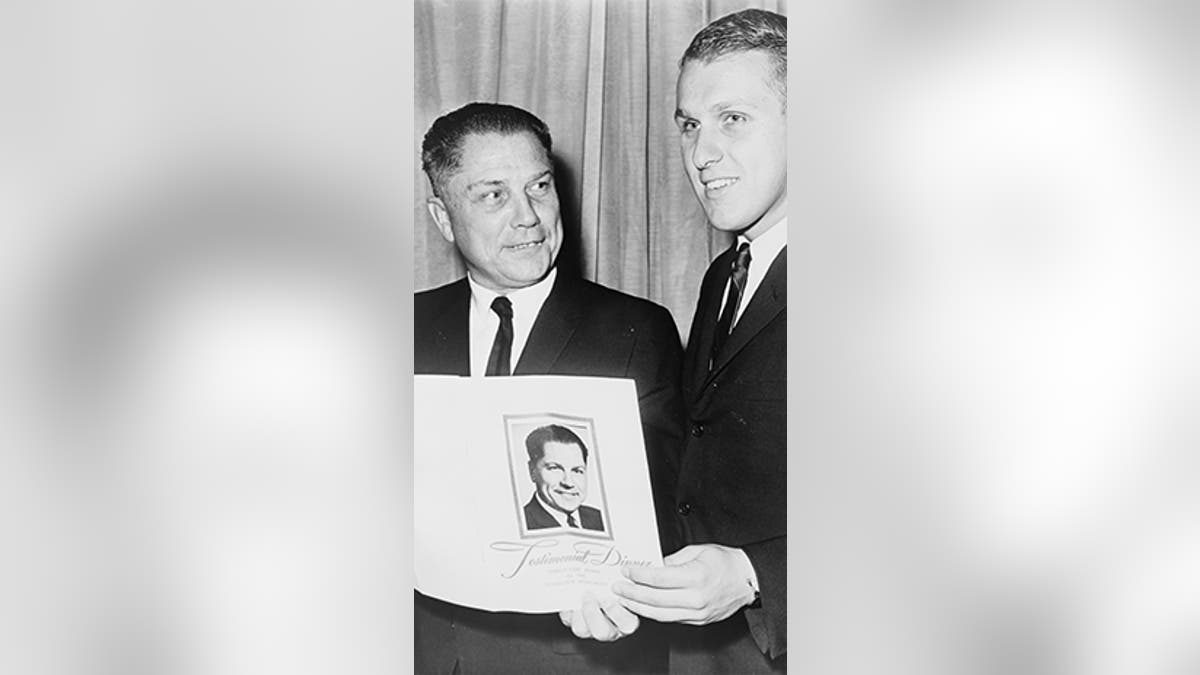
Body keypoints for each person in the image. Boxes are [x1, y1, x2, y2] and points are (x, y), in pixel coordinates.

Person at [414, 102, 685, 674]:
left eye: (539, 186)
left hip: (572, 658)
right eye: (493, 195)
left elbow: (665, 511)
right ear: (442, 218)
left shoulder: (636, 331)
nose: (529, 218)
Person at [605, 9, 788, 674]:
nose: (701, 154)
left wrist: (752, 574)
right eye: (689, 124)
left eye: (732, 118)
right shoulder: (725, 274)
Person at [523, 424, 605, 532]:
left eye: (577, 471)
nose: (568, 483)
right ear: (532, 471)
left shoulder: (599, 519)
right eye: (555, 468)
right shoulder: (521, 522)